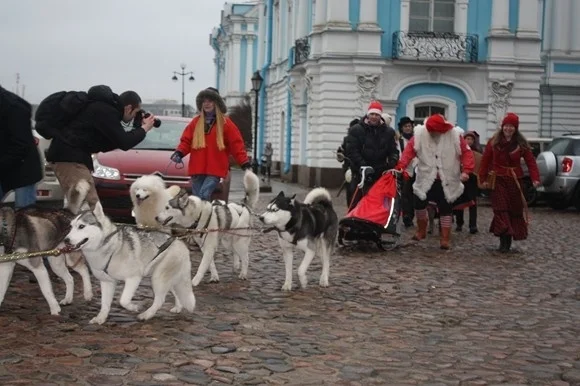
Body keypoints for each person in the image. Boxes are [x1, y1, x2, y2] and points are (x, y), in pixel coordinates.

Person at [41, 86, 156, 213]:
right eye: (135, 113)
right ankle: (79, 231)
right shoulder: (105, 111)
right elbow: (124, 142)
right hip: (70, 160)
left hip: (68, 158)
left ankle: (70, 230)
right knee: (89, 208)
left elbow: (106, 144)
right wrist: (144, 129)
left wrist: (136, 130)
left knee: (80, 207)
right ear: (128, 108)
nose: (135, 116)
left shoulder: (101, 110)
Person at [395, 114, 474, 250]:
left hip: (447, 178)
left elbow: (467, 153)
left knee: (446, 208)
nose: (435, 133)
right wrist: (401, 165)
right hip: (425, 177)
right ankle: (422, 229)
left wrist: (467, 170)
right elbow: (409, 152)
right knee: (418, 203)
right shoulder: (420, 134)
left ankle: (445, 238)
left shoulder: (455, 136)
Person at [171, 87, 251, 201]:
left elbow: (236, 144)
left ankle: (204, 217)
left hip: (215, 170)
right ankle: (202, 218)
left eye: (210, 101)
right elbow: (186, 141)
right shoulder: (195, 122)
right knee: (196, 200)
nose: (206, 104)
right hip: (197, 169)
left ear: (217, 103)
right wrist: (179, 153)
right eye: (204, 101)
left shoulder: (226, 123)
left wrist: (244, 162)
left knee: (203, 195)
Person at [478, 112, 540, 253]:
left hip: (515, 181)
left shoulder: (521, 144)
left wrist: (535, 178)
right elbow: (485, 160)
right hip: (499, 179)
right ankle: (503, 242)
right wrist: (482, 179)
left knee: (513, 211)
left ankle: (508, 241)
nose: (508, 129)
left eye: (512, 126)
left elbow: (531, 162)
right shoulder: (493, 142)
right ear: (502, 127)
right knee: (501, 209)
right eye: (506, 126)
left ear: (515, 128)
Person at [344, 101, 399, 210]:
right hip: (360, 173)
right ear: (368, 115)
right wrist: (363, 165)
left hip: (380, 173)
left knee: (377, 203)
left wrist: (392, 161)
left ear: (380, 116)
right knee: (356, 203)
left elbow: (393, 150)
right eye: (372, 114)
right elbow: (352, 151)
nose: (374, 117)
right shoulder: (356, 130)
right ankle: (353, 224)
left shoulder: (388, 132)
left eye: (377, 115)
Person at [0, 86, 43, 203]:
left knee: (25, 216)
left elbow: (21, 145)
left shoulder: (13, 106)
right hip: (6, 166)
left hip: (23, 169)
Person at [454, 130, 482, 234]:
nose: (469, 141)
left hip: (472, 180)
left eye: (471, 139)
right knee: (460, 202)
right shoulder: (460, 151)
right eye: (467, 139)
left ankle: (473, 225)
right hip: (461, 178)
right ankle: (459, 223)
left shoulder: (477, 151)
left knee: (473, 203)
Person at [396, 116, 415, 227]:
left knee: (414, 195)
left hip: (416, 169)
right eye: (405, 126)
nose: (408, 128)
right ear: (402, 128)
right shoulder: (399, 141)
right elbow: (399, 155)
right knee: (405, 194)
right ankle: (406, 216)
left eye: (409, 126)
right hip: (404, 170)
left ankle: (411, 215)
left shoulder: (416, 139)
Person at [336, 118, 360, 207]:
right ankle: (350, 210)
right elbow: (341, 157)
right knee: (350, 192)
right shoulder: (346, 140)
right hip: (349, 171)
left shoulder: (364, 139)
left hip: (360, 170)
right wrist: (340, 154)